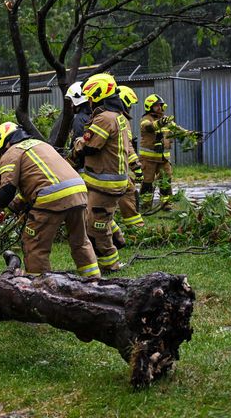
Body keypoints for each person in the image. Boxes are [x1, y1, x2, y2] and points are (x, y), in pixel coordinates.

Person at [0, 121, 99, 277]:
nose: (1, 157)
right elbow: (43, 179)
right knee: (80, 241)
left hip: (51, 197)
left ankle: (40, 286)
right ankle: (93, 281)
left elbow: (4, 193)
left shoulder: (12, 152)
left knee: (34, 245)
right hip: (78, 191)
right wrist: (16, 205)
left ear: (4, 143)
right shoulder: (41, 145)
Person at [71, 73, 130, 273]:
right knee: (98, 214)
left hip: (106, 183)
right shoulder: (115, 115)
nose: (88, 100)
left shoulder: (105, 118)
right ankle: (118, 238)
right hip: (106, 181)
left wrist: (76, 144)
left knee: (96, 225)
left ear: (98, 93)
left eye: (90, 96)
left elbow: (90, 146)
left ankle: (110, 264)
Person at [139, 94, 197, 211]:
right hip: (148, 159)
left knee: (165, 181)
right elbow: (149, 127)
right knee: (147, 182)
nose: (159, 108)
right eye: (156, 106)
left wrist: (191, 134)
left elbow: (178, 130)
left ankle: (166, 205)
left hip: (163, 159)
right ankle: (145, 206)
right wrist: (160, 123)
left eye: (160, 106)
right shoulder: (146, 119)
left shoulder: (166, 120)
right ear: (149, 107)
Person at [116, 86, 144, 230]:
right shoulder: (121, 120)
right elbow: (129, 148)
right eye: (130, 105)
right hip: (116, 169)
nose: (130, 108)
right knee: (129, 195)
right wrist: (137, 168)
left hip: (112, 167)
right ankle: (136, 229)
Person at [66, 81, 91, 149]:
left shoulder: (80, 119)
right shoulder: (94, 114)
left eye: (72, 101)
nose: (71, 105)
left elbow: (77, 144)